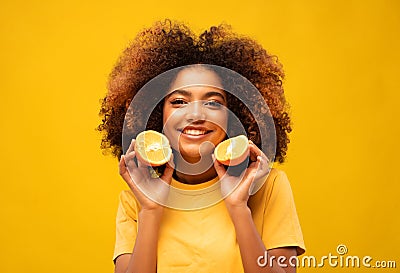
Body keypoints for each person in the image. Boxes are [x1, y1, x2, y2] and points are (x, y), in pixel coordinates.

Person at [97, 19, 305, 273]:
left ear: (234, 115)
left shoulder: (267, 187)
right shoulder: (135, 199)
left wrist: (239, 208)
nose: (195, 114)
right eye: (179, 101)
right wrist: (150, 210)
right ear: (156, 116)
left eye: (213, 103)